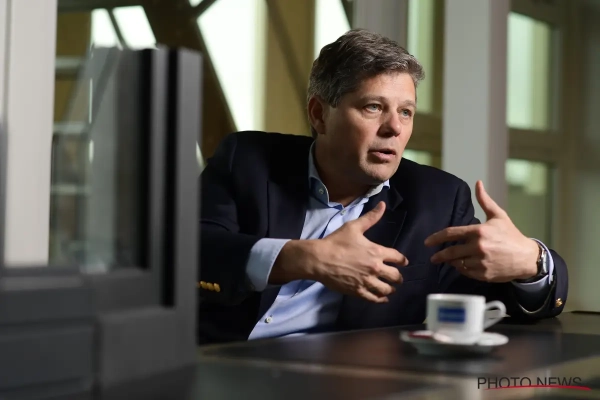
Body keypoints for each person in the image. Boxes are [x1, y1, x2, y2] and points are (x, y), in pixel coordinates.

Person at [196, 29, 568, 345]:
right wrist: (304, 258)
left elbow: (497, 304)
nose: (394, 128)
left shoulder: (437, 200)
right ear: (319, 114)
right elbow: (189, 249)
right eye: (374, 107)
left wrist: (531, 262)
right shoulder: (247, 159)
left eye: (406, 111)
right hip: (217, 364)